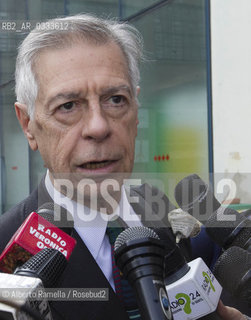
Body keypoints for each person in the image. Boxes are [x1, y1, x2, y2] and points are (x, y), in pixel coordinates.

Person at [0, 14, 249, 320]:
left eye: (116, 100)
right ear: (28, 125)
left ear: (136, 110)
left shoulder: (159, 212)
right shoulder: (8, 254)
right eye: (67, 106)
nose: (98, 126)